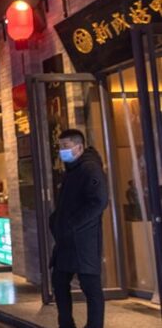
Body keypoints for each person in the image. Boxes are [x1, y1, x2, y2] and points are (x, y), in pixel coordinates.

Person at [50, 129, 108, 328]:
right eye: (60, 147)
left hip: (84, 239)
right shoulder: (72, 169)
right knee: (59, 280)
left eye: (66, 146)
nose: (62, 151)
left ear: (79, 147)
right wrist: (55, 221)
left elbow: (99, 201)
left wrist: (72, 223)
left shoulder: (90, 169)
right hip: (67, 239)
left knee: (90, 285)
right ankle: (66, 323)